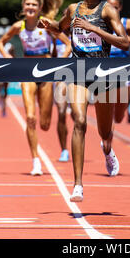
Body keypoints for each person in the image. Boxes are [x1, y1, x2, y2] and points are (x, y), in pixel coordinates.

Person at [39, 0, 129, 202]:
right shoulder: (73, 9)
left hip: (102, 74)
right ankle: (78, 184)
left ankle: (107, 149)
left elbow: (125, 42)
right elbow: (61, 27)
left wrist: (93, 28)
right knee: (79, 121)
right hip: (77, 70)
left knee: (104, 131)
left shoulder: (107, 11)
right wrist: (49, 26)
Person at [0, 0, 70, 176]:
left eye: (34, 4)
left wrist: (60, 62)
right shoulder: (18, 26)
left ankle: (45, 137)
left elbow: (68, 44)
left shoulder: (46, 25)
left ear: (40, 8)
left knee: (45, 124)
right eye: (27, 4)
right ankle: (35, 160)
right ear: (23, 7)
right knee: (30, 118)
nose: (30, 7)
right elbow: (1, 44)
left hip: (46, 72)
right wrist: (9, 60)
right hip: (27, 70)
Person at [52, 30, 73, 162]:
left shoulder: (80, 34)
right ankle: (64, 150)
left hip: (78, 77)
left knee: (78, 117)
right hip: (61, 78)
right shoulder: (56, 36)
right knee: (61, 113)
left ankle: (77, 144)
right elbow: (52, 56)